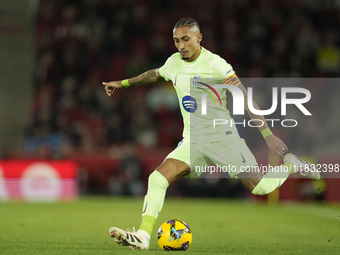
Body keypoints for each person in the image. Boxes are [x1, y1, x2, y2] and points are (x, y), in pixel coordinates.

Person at [102, 17, 320, 251]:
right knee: (157, 178)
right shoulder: (174, 62)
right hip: (193, 141)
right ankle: (143, 236)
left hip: (223, 139)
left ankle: (291, 164)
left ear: (199, 38)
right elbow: (155, 74)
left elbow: (245, 99)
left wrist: (267, 135)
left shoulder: (216, 65)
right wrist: (122, 83)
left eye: (186, 39)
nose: (181, 46)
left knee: (262, 188)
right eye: (176, 41)